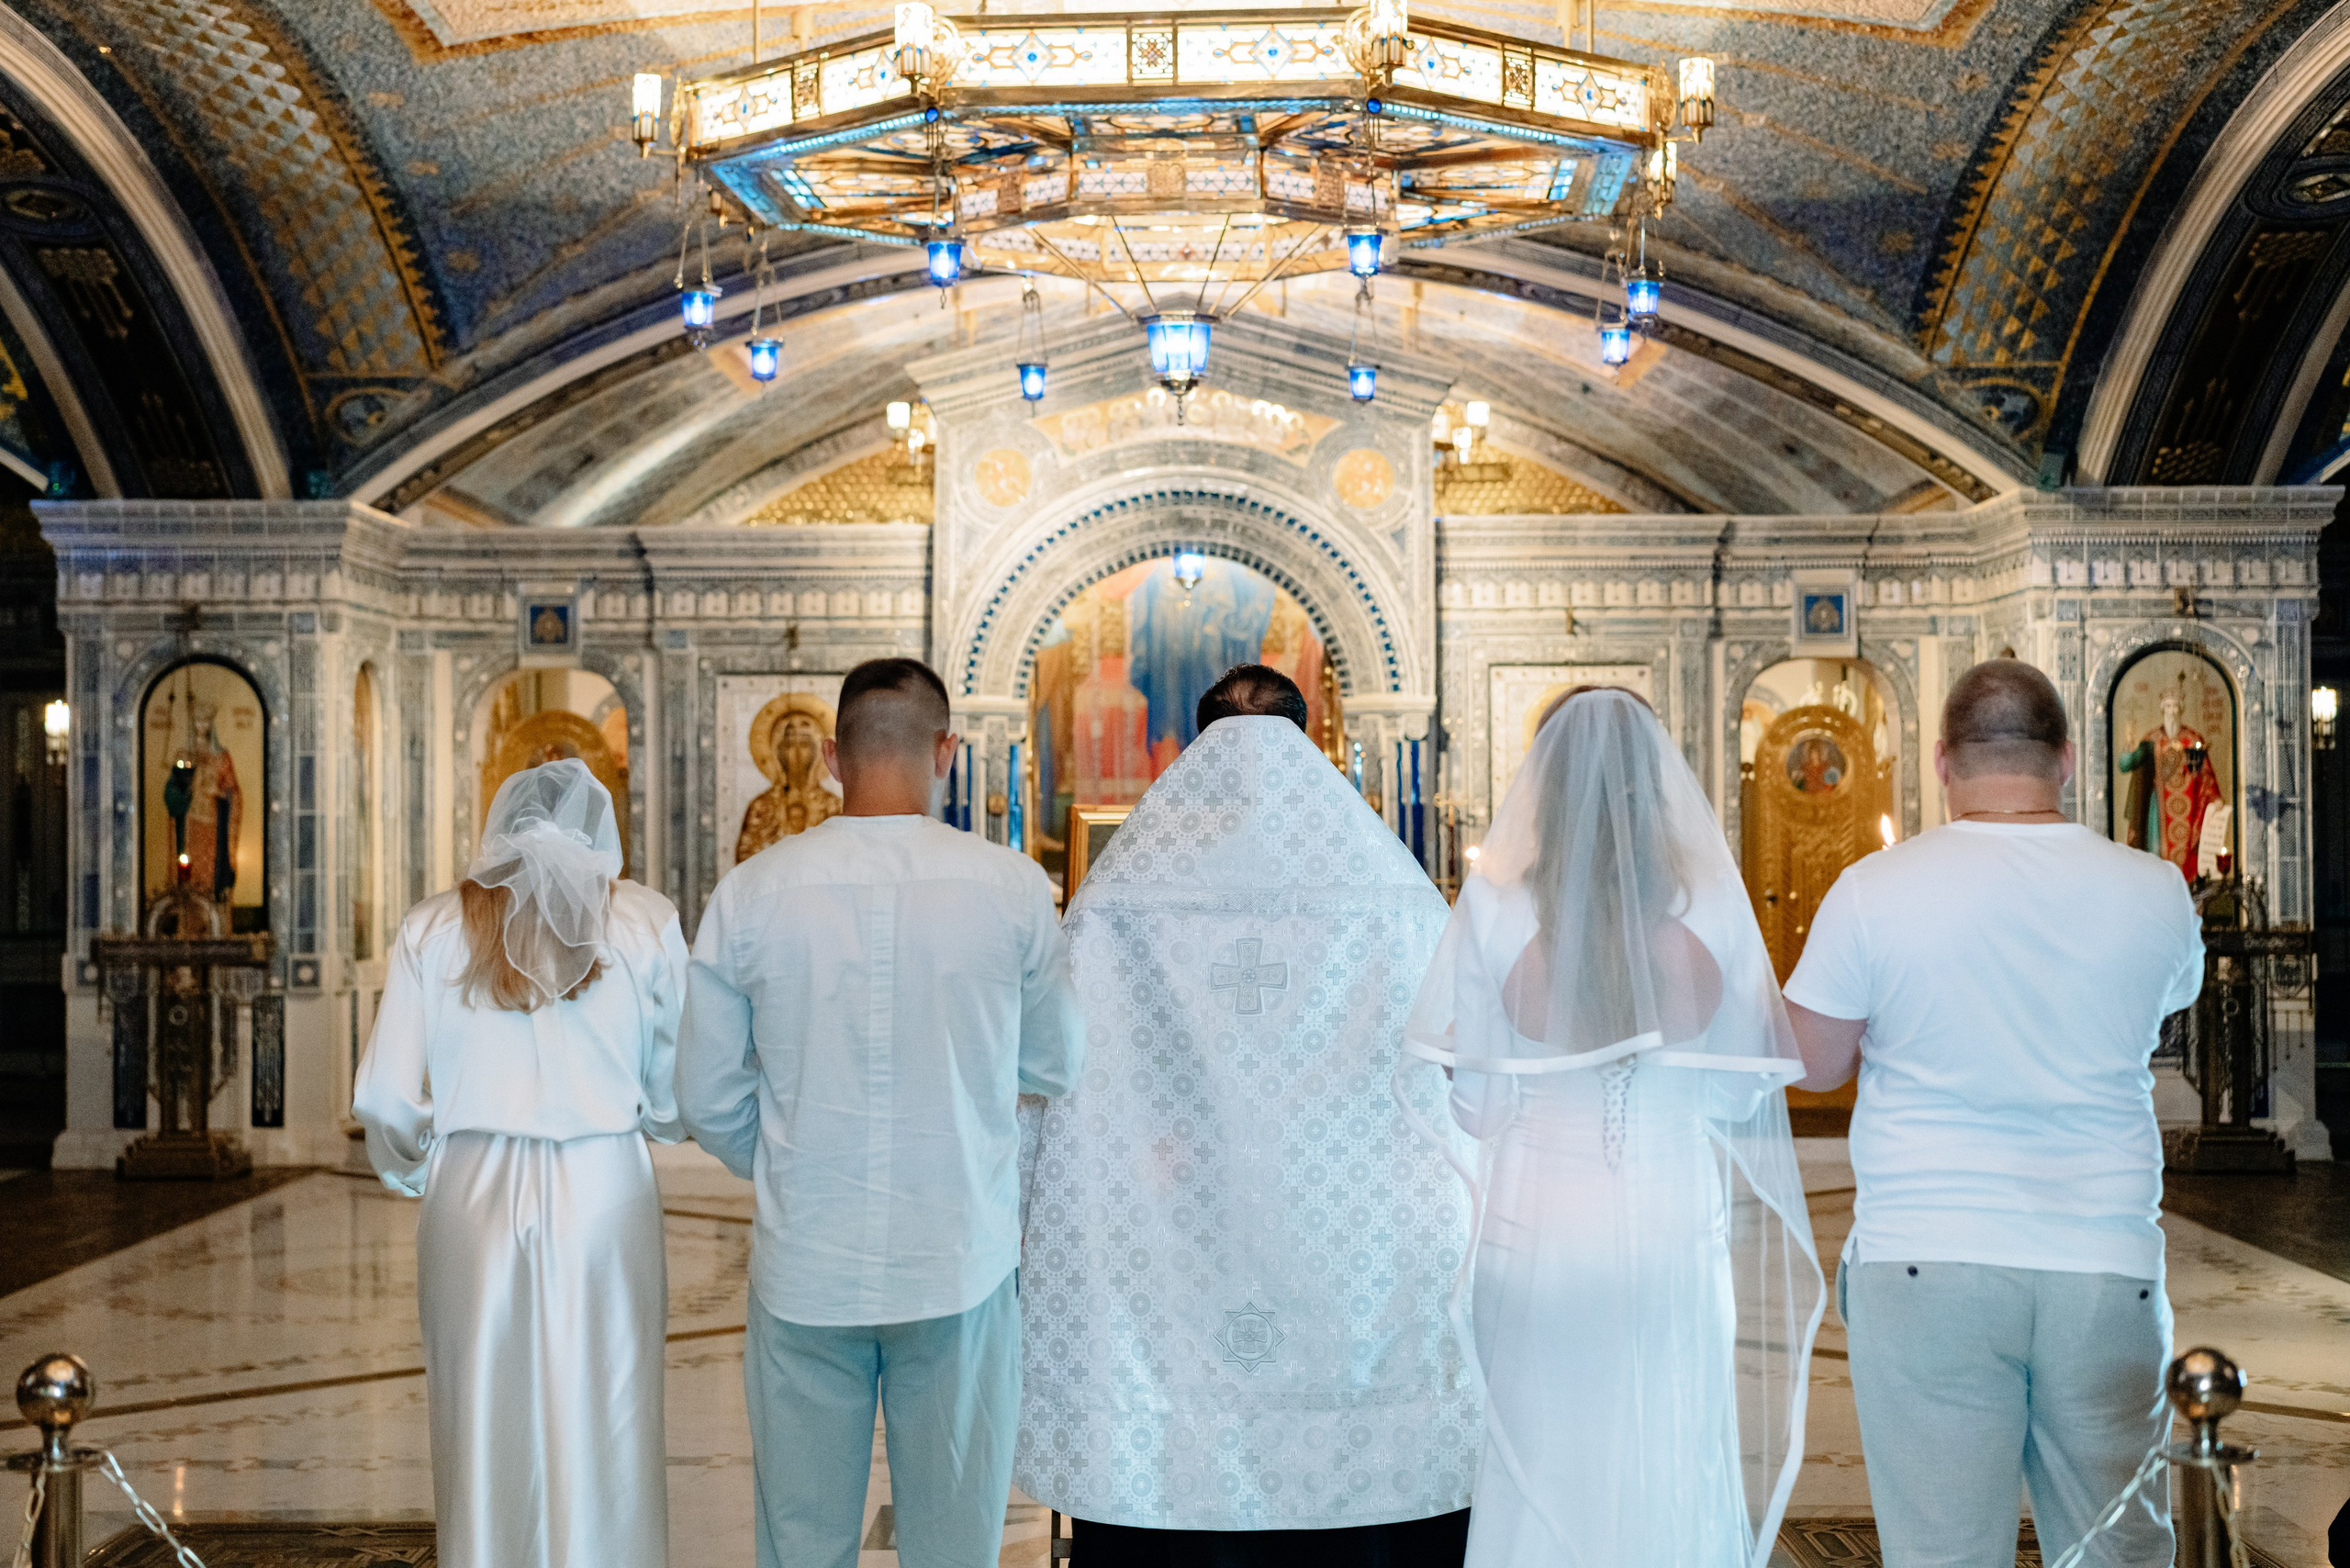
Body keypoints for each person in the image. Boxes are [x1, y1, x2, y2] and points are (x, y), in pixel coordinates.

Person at [1016, 664, 1480, 1566]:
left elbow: (1056, 1078)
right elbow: (1449, 1087)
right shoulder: (1394, 895)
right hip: (1345, 1236)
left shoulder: (1120, 901)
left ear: (1194, 748)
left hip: (1176, 1226)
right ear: (1318, 748)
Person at [1785, 658, 2204, 1568]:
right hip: (2102, 1258)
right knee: (2118, 1549)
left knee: (1940, 1553)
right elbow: (2166, 1003)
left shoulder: (1871, 889)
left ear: (1941, 760)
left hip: (1924, 1258)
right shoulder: (2155, 889)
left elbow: (1813, 1065)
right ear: (2063, 756)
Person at [677, 656, 1085, 1568]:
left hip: (805, 1260)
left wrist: (789, 1158)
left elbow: (704, 1093)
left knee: (801, 1533)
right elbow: (1057, 1063)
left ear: (828, 754)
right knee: (954, 1537)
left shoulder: (752, 891)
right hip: (958, 1256)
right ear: (946, 750)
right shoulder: (1011, 887)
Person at [1402, 687, 1822, 1568]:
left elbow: (1478, 1110)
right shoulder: (1712, 905)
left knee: (1544, 1463)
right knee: (1671, 1447)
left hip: (1541, 1232)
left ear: (1542, 786)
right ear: (1660, 781)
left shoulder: (1492, 907)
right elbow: (1737, 1098)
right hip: (1671, 1225)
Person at [353, 758, 688, 1568]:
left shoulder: (434, 927)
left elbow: (386, 1101)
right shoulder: (642, 921)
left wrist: (413, 1168)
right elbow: (678, 1089)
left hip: (471, 1191)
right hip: (606, 1185)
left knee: (478, 1408)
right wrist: (660, 1121)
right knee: (610, 1405)